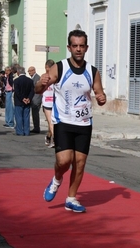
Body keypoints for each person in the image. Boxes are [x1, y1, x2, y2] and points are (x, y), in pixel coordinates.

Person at [35, 30, 107, 212]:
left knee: (80, 163)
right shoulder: (59, 67)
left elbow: (99, 92)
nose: (78, 49)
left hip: (84, 122)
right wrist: (42, 82)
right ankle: (57, 179)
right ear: (69, 47)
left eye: (81, 46)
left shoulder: (92, 71)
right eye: (74, 46)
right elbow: (38, 90)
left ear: (86, 48)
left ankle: (71, 198)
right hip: (64, 122)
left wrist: (101, 97)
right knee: (64, 161)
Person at [13, 66, 34, 136]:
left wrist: (22, 98)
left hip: (19, 101)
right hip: (27, 101)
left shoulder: (16, 81)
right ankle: (27, 131)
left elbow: (17, 92)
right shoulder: (30, 81)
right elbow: (32, 91)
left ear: (18, 72)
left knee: (19, 117)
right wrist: (29, 98)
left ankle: (20, 131)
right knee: (26, 117)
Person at [41, 59, 55, 148]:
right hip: (46, 102)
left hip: (55, 102)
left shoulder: (56, 77)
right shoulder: (43, 76)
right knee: (51, 122)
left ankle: (48, 136)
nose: (48, 70)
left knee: (53, 123)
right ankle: (55, 140)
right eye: (47, 68)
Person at [28, 66, 41, 133]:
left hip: (36, 98)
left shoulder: (37, 78)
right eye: (28, 71)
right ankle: (36, 127)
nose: (29, 72)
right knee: (34, 113)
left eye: (30, 71)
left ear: (34, 70)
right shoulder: (33, 77)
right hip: (34, 98)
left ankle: (37, 128)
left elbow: (36, 88)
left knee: (35, 113)